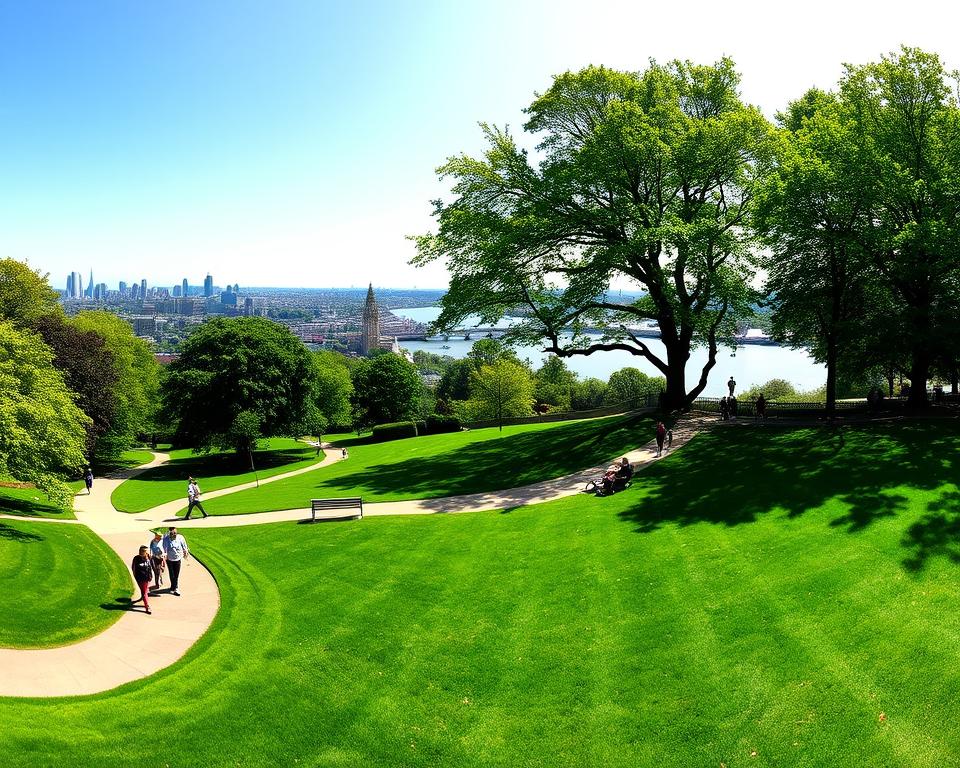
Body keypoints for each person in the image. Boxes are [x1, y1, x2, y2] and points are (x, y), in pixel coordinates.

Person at [162, 527, 189, 596]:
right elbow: (164, 549)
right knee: (171, 574)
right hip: (169, 559)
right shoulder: (166, 539)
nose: (174, 535)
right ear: (169, 533)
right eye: (172, 533)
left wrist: (185, 552)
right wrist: (164, 557)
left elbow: (184, 546)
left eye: (175, 533)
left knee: (176, 574)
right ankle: (173, 586)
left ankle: (176, 588)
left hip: (178, 558)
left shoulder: (180, 538)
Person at [131, 546, 154, 614]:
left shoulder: (149, 558)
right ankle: (146, 604)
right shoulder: (136, 558)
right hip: (140, 578)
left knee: (144, 592)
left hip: (147, 577)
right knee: (144, 592)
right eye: (143, 551)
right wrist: (135, 577)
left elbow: (151, 566)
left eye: (145, 551)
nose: (145, 552)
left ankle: (146, 604)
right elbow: (133, 568)